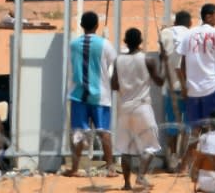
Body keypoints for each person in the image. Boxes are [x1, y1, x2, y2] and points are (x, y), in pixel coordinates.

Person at [177, 4, 215, 172]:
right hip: (212, 87)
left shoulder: (189, 34)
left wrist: (185, 86)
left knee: (195, 130)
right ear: (208, 17)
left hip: (193, 89)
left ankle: (184, 165)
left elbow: (181, 65)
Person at [111, 28, 164, 190]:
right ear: (141, 41)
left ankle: (126, 184)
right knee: (151, 145)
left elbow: (114, 85)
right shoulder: (148, 60)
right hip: (142, 107)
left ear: (125, 41)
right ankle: (140, 176)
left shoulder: (118, 60)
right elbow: (160, 82)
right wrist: (166, 63)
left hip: (124, 108)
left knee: (125, 148)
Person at [66, 11, 117, 177]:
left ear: (81, 25)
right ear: (97, 25)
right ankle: (110, 168)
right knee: (104, 132)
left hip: (78, 95)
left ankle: (74, 168)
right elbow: (115, 64)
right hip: (100, 95)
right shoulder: (105, 44)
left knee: (79, 132)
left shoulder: (73, 45)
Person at [159, 10, 191, 167]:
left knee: (172, 124)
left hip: (169, 85)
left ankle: (172, 158)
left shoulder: (166, 33)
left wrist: (163, 31)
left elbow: (162, 55)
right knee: (188, 125)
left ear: (175, 21)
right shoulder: (192, 34)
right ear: (189, 23)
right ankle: (183, 160)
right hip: (189, 87)